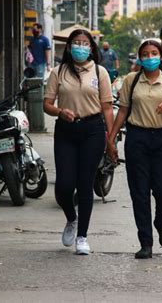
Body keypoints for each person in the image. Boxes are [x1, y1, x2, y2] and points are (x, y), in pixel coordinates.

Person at [106, 40, 162, 259]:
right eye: (145, 54)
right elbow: (122, 112)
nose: (149, 57)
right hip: (137, 138)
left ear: (160, 56)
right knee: (139, 193)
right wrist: (110, 140)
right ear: (140, 58)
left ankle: (161, 223)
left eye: (153, 53)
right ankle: (145, 242)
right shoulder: (131, 80)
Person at [43, 29, 114, 255]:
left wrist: (110, 139)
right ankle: (71, 219)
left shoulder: (100, 72)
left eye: (85, 43)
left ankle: (82, 236)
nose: (80, 47)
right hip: (66, 130)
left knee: (85, 184)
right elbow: (47, 104)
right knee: (64, 186)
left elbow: (107, 107)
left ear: (91, 47)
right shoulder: (58, 72)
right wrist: (59, 111)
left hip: (92, 130)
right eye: (76, 43)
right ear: (69, 46)